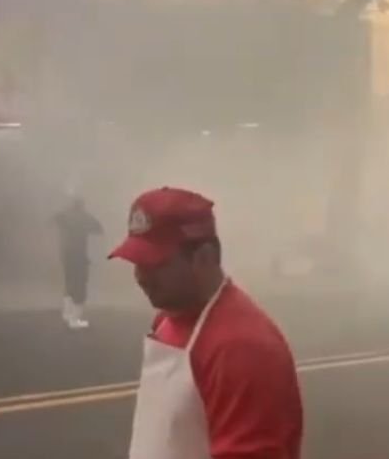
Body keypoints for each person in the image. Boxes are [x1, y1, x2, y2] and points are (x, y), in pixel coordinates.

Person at [108, 186, 303, 459]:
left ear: (205, 257)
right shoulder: (167, 319)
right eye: (137, 263)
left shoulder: (241, 348)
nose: (140, 276)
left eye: (156, 264)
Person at [51, 196, 104, 329]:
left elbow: (53, 220)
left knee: (69, 282)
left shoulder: (64, 216)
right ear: (82, 206)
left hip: (67, 255)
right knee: (80, 284)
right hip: (79, 255)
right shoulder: (84, 218)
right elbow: (99, 229)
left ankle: (67, 313)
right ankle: (75, 319)